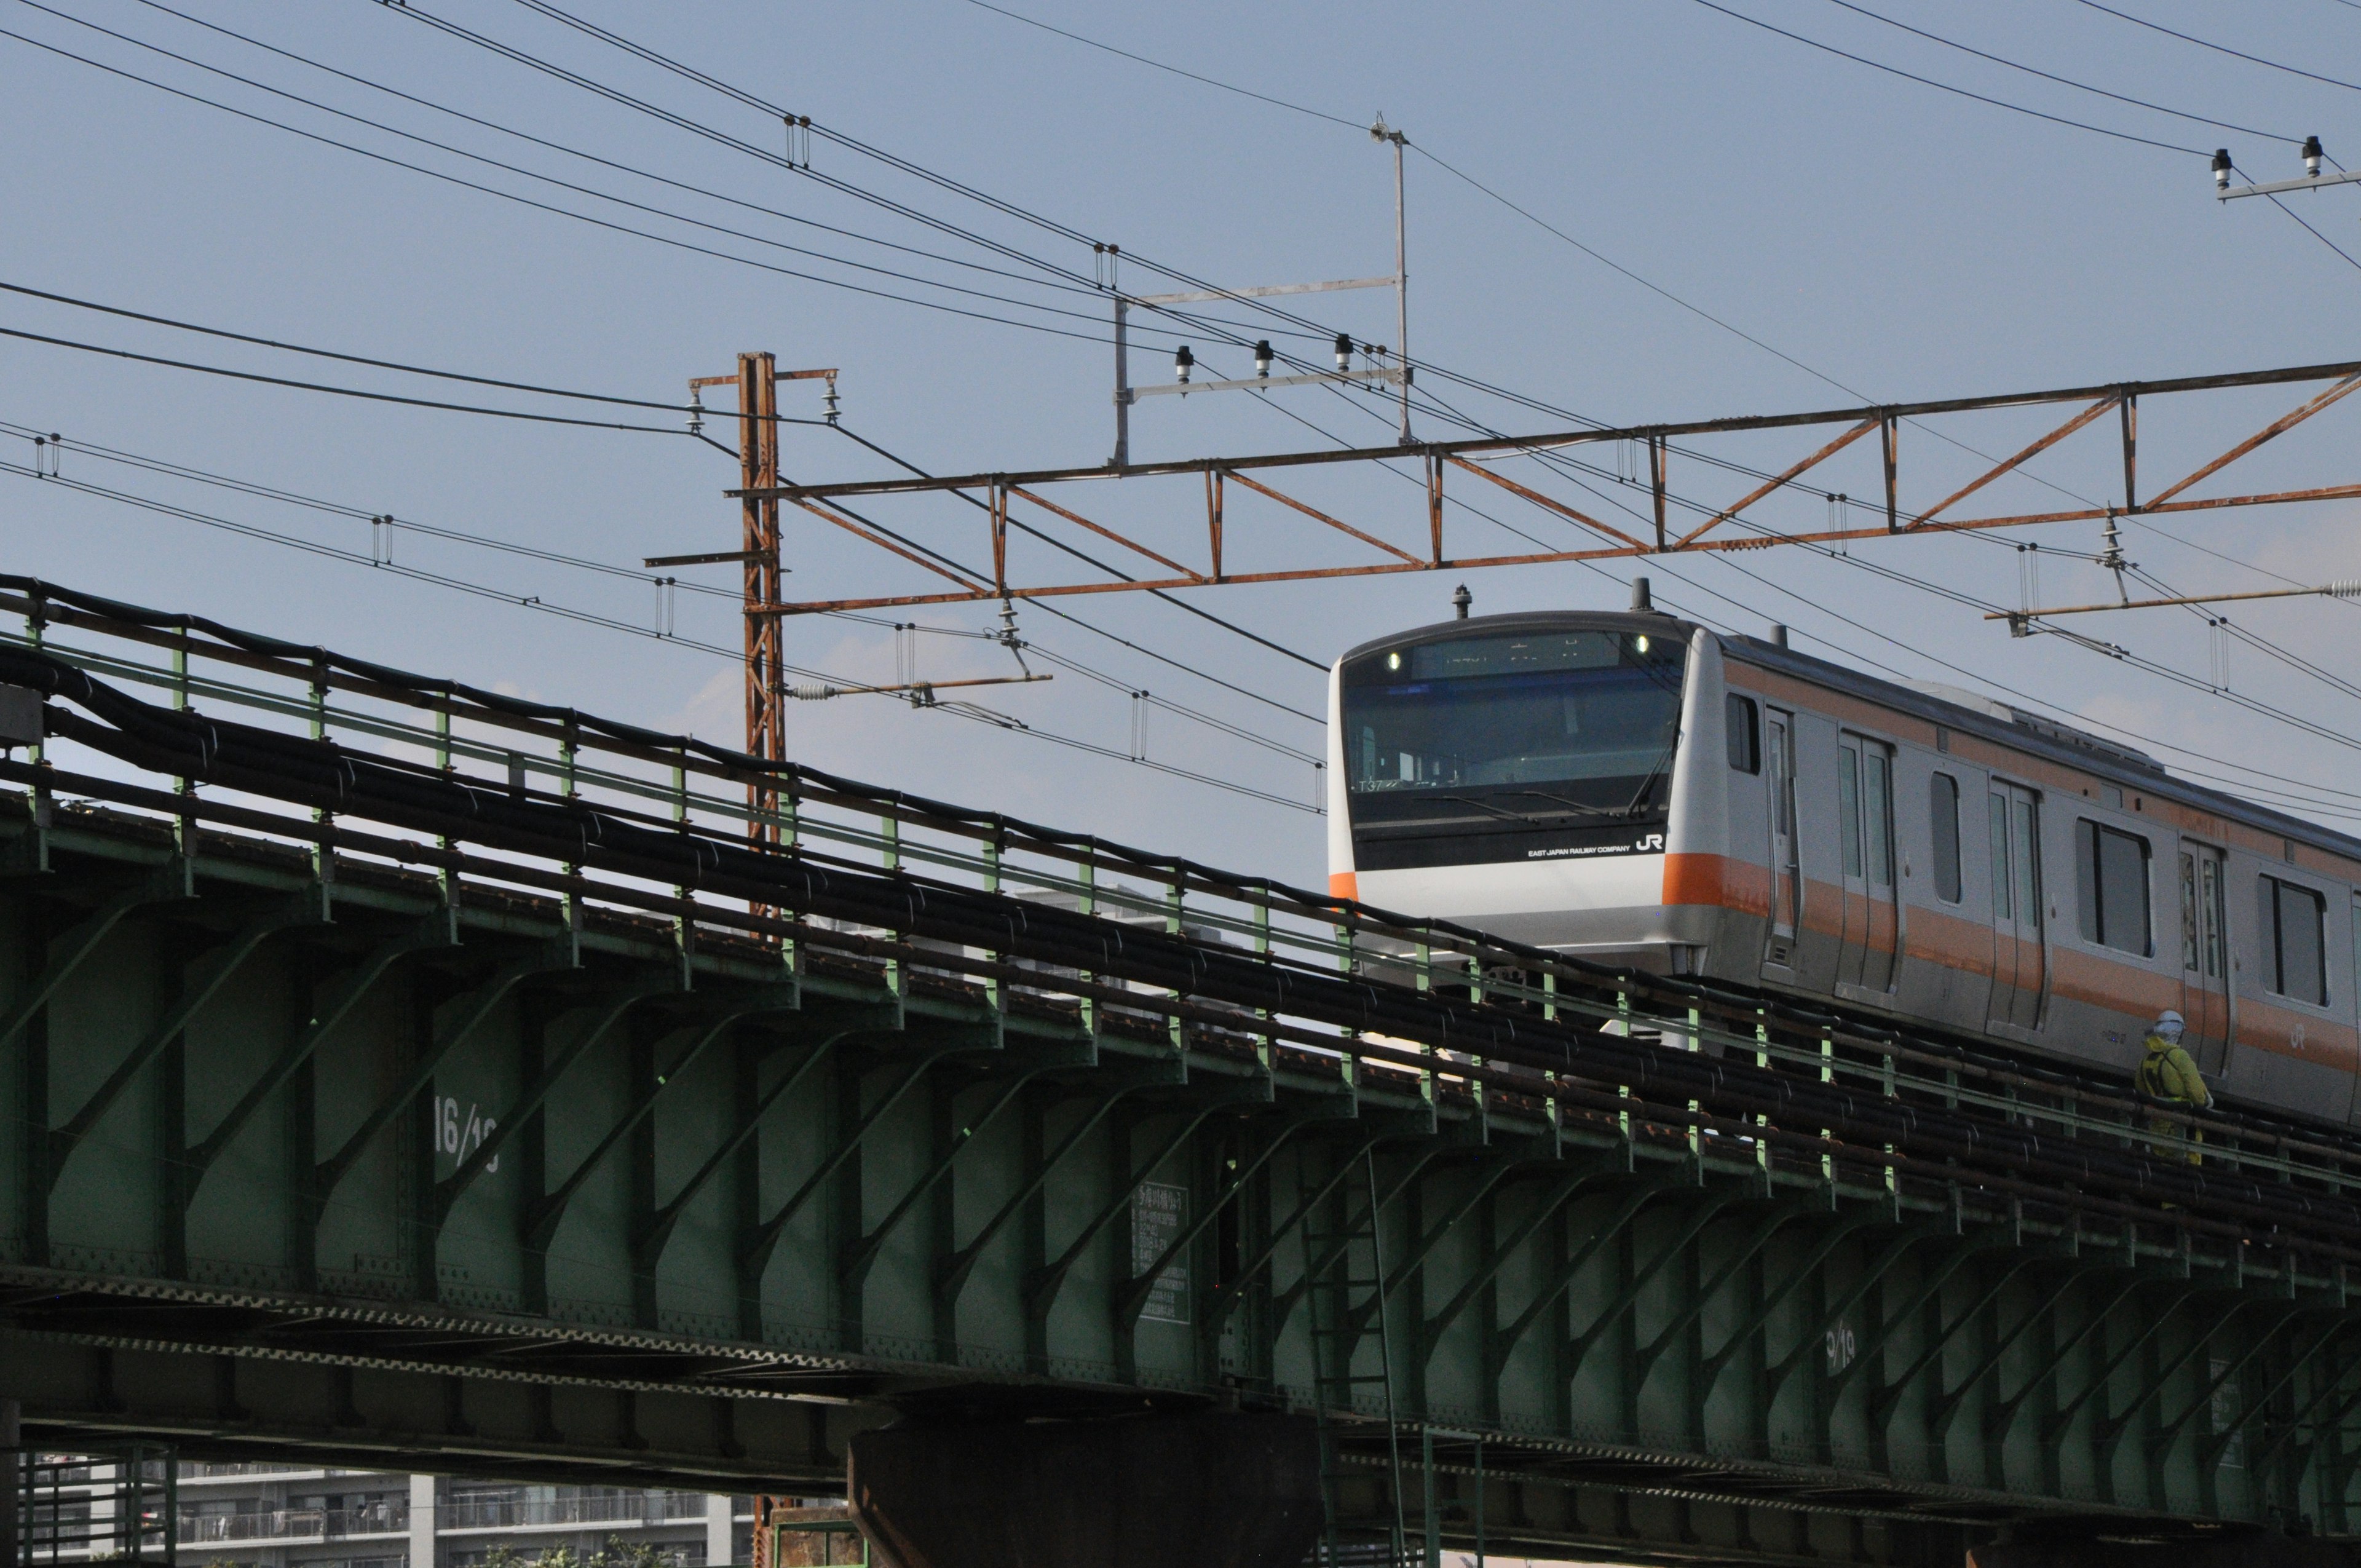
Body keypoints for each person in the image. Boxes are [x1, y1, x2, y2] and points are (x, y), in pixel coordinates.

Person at [2136, 1010, 2211, 1165]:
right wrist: (2203, 1105)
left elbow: (2141, 1091)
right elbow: (2197, 1094)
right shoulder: (2180, 1056)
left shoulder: (2146, 1061)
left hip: (2157, 1127)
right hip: (2182, 1126)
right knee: (2186, 1172)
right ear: (2178, 1033)